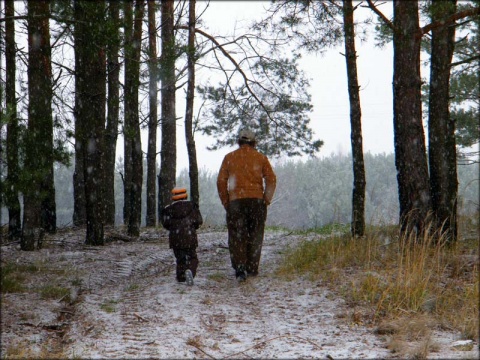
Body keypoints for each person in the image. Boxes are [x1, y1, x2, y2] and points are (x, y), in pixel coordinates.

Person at [216, 128, 277, 282]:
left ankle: (240, 268)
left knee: (237, 236)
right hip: (256, 202)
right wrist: (266, 199)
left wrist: (226, 201)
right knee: (255, 234)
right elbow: (271, 179)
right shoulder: (261, 158)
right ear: (253, 142)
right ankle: (252, 267)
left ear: (239, 141)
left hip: (236, 202)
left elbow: (221, 181)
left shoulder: (229, 158)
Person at [161, 187, 203, 286]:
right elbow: (198, 221)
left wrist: (174, 228)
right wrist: (193, 227)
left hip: (175, 238)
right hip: (190, 237)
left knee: (180, 259)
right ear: (185, 195)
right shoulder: (192, 206)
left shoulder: (168, 209)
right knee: (192, 257)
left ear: (173, 197)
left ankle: (181, 277)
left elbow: (165, 224)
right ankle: (190, 272)